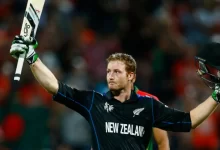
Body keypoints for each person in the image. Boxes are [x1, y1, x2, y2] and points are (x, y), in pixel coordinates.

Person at [10, 35, 220, 150]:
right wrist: (32, 58)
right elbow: (53, 86)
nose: (110, 76)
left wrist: (215, 96)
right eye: (109, 71)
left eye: (117, 72)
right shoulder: (95, 101)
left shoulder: (149, 106)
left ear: (131, 76)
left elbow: (190, 120)